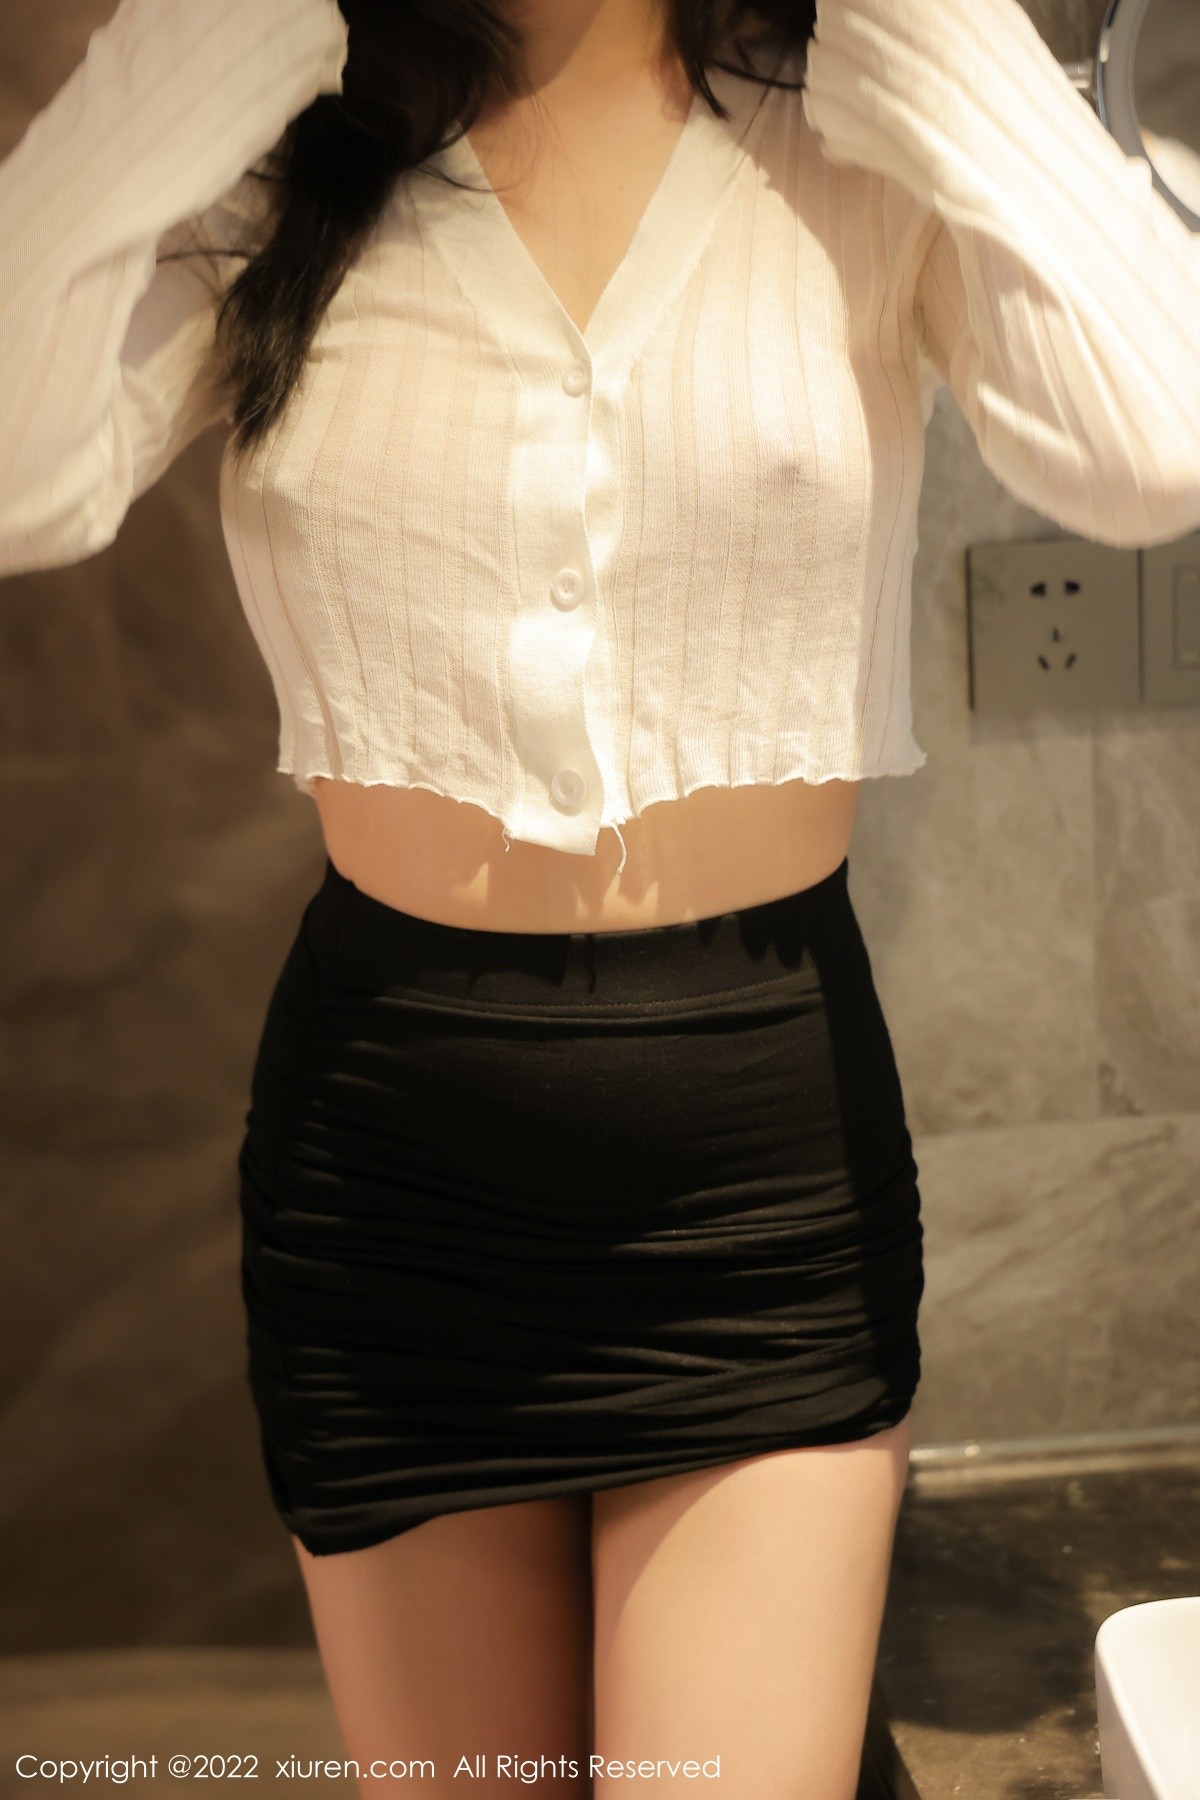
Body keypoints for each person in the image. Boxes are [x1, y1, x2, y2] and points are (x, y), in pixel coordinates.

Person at [2, 0, 1198, 1794]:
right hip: (385, 1186)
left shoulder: (857, 128)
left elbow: (1154, 445)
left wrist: (932, 25)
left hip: (758, 1189)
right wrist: (184, 59)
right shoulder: (278, 150)